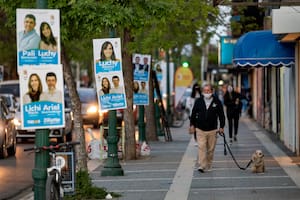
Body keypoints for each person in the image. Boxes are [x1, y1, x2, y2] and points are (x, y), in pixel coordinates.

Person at [190, 83, 225, 173]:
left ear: (212, 91)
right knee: (201, 147)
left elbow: (221, 115)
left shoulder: (217, 102)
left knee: (210, 149)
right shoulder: (198, 101)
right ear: (202, 92)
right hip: (200, 129)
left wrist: (221, 126)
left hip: (212, 129)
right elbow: (193, 113)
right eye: (205, 91)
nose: (207, 92)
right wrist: (192, 125)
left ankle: (209, 164)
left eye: (208, 91)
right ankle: (202, 165)